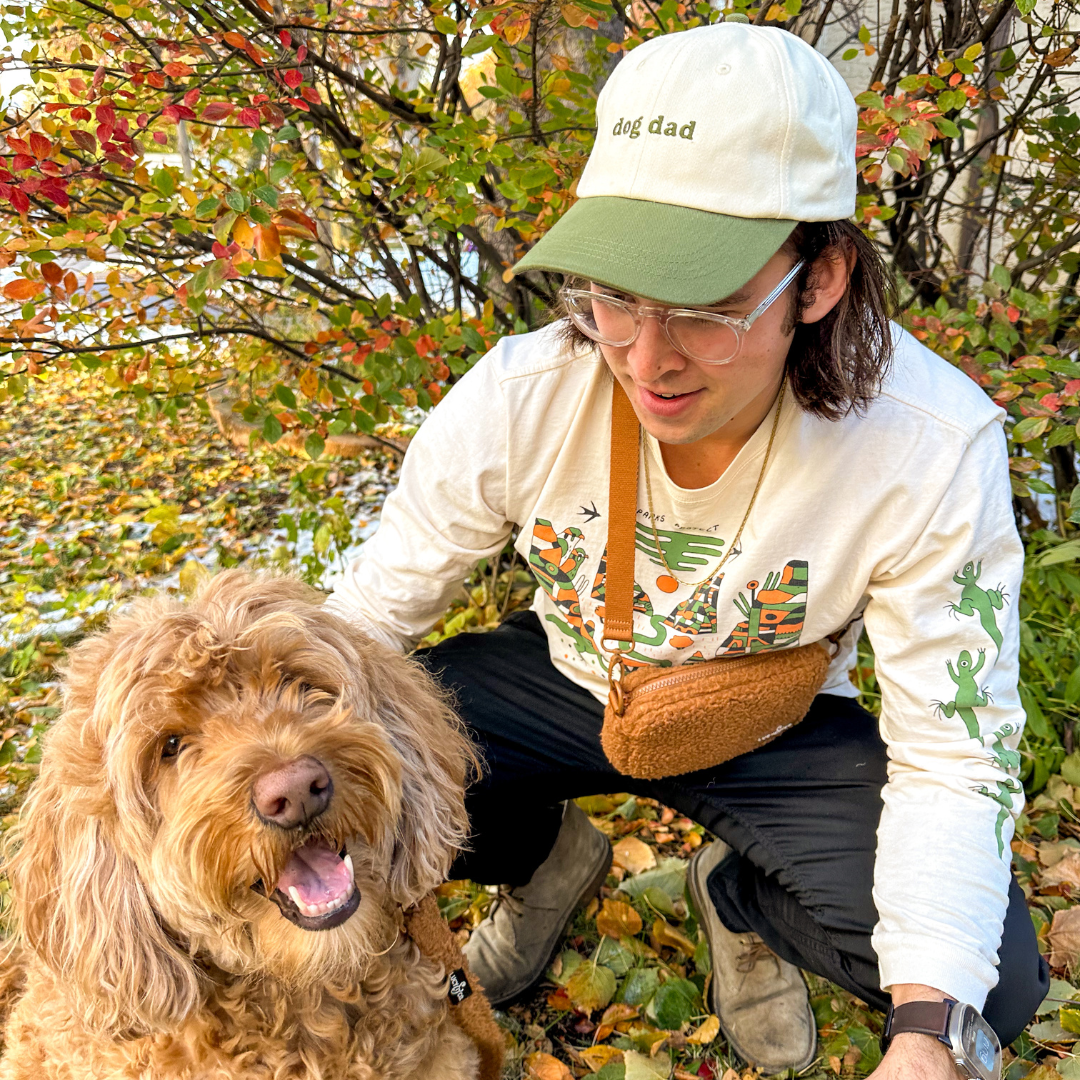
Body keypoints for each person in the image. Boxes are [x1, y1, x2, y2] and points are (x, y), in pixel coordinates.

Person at [327, 20, 1048, 1076]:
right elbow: (364, 620)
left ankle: (742, 896)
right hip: (573, 676)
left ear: (821, 278)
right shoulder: (525, 396)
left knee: (997, 984)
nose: (645, 359)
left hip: (776, 721)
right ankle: (546, 860)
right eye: (614, 294)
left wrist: (927, 1033)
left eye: (706, 308)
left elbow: (954, 751)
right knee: (357, 765)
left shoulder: (927, 448)